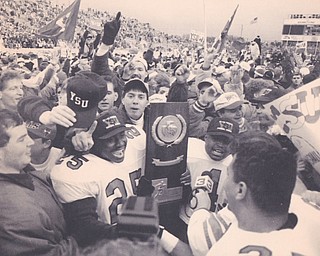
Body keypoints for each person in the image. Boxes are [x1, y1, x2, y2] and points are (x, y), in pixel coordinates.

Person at [188, 131, 320, 256]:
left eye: (229, 175)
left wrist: (201, 209)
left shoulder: (225, 247)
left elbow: (200, 237)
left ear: (240, 190)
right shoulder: (310, 210)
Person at [50, 111, 146, 247]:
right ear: (93, 143)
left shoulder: (137, 139)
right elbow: (85, 228)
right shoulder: (76, 171)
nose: (120, 143)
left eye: (121, 135)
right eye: (110, 139)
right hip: (106, 246)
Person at [0, 109, 79, 255]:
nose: (30, 142)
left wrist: (74, 147)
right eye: (22, 139)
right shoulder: (11, 208)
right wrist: (88, 237)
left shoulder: (22, 171)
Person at [179, 117, 239, 240]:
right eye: (216, 138)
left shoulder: (236, 164)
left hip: (215, 228)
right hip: (184, 220)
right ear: (206, 137)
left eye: (226, 141)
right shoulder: (189, 149)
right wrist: (178, 173)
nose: (220, 145)